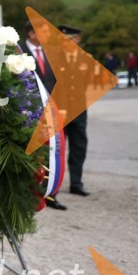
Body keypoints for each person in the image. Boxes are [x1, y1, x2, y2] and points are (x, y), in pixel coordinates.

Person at [21, 21, 67, 209]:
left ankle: (50, 194)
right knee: (35, 154)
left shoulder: (52, 53)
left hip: (53, 111)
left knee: (54, 150)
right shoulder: (19, 52)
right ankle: (31, 193)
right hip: (29, 113)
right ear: (31, 33)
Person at [58, 25, 90, 197]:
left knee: (79, 146)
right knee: (56, 148)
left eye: (70, 39)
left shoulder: (85, 58)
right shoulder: (53, 58)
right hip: (59, 110)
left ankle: (76, 183)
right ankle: (52, 186)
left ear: (77, 39)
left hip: (78, 110)